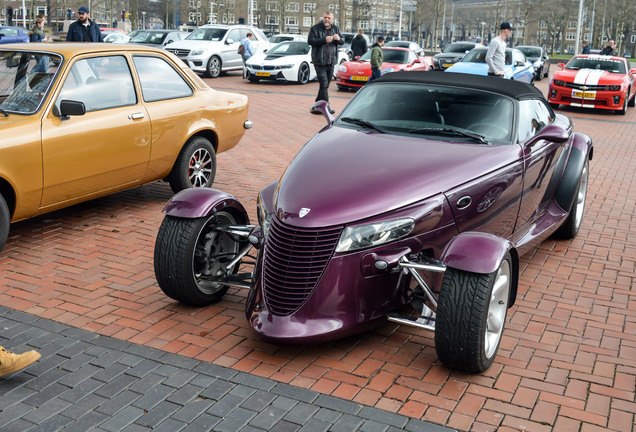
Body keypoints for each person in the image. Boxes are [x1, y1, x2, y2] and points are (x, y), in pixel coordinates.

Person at [308, 10, 344, 115]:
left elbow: (342, 41)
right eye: (325, 17)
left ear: (332, 19)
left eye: (329, 18)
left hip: (331, 61)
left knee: (326, 85)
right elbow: (310, 41)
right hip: (319, 61)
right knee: (323, 84)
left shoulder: (336, 28)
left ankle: (317, 105)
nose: (326, 19)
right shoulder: (315, 28)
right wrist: (324, 40)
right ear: (322, 18)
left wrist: (339, 39)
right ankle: (326, 107)